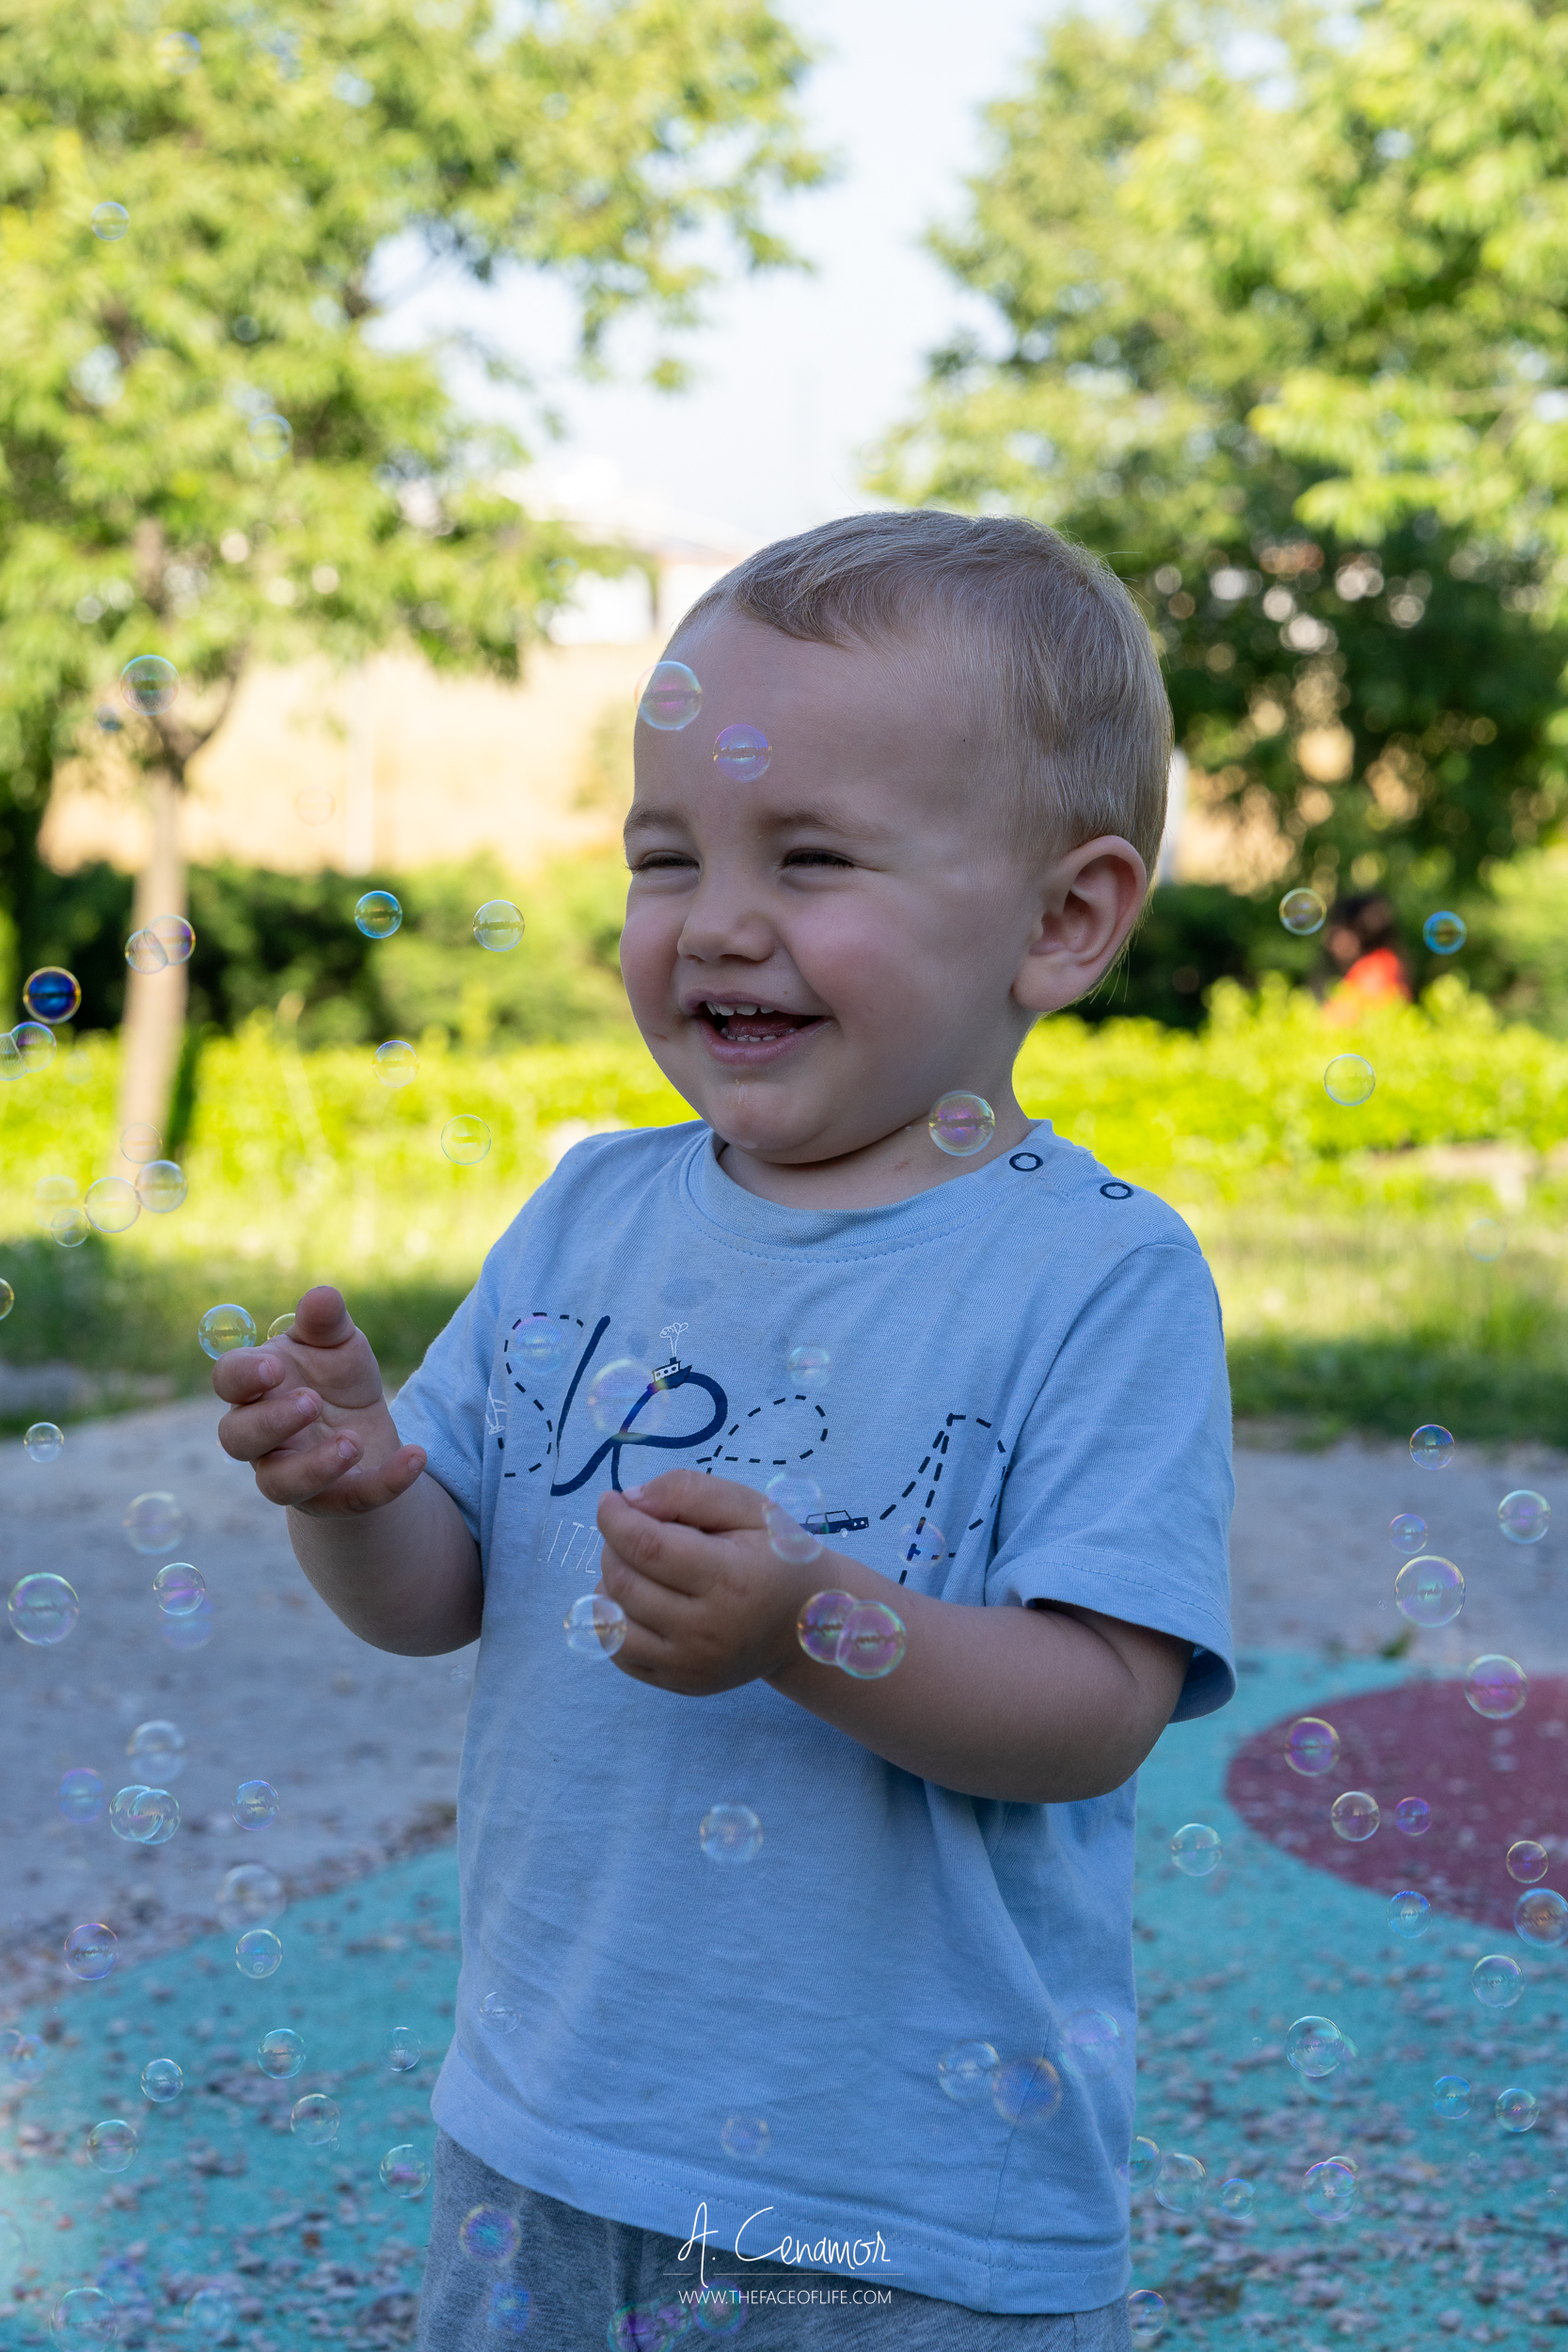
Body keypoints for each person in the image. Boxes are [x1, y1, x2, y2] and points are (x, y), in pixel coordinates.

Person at [212, 511, 1234, 2350]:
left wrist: (807, 1621)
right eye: (664, 857)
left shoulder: (1093, 1273)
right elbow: (437, 1593)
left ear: (1060, 920)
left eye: (810, 857)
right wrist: (359, 1494)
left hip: (897, 2205)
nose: (718, 922)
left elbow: (1098, 1706)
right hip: (538, 2133)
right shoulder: (587, 1215)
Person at [1318, 892, 1413, 1025]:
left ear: (1359, 930)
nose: (1329, 940)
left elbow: (1340, 1020)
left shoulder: (1377, 968)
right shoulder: (1386, 962)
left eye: (1337, 930)